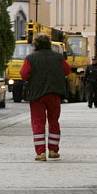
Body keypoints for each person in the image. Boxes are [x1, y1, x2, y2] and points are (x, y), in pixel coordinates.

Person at [20, 33, 71, 161]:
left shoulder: (30, 58)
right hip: (54, 93)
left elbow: (24, 74)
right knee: (54, 121)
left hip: (37, 95)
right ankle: (53, 150)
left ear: (35, 45)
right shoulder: (58, 58)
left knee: (38, 122)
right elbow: (67, 71)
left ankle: (40, 153)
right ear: (49, 44)